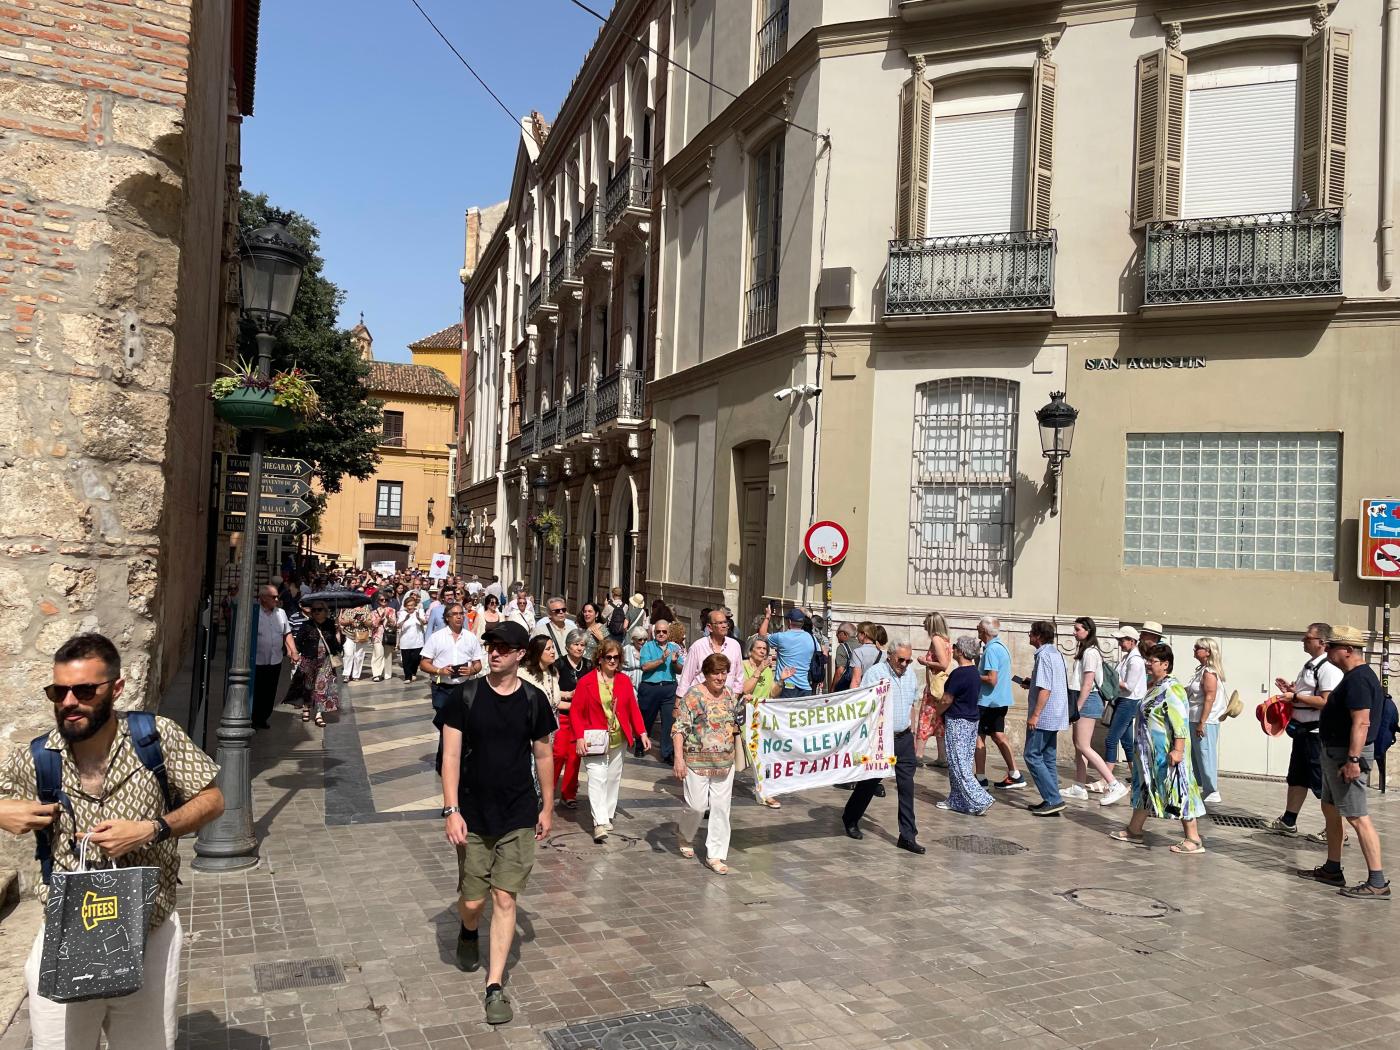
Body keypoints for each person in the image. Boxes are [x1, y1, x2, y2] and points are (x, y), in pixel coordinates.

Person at [0, 633, 224, 1050]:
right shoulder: (38, 757)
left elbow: (212, 800)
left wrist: (153, 828)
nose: (69, 702)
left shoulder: (156, 738)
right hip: (66, 934)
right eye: (59, 691)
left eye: (84, 690)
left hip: (149, 932)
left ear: (115, 688)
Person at [439, 621, 555, 1025]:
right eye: (491, 645)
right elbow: (450, 757)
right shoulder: (465, 696)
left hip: (519, 812)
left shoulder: (534, 700)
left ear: (522, 654)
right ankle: (468, 931)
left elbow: (543, 755)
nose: (494, 652)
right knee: (473, 901)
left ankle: (494, 987)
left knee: (505, 898)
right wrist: (451, 810)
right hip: (472, 813)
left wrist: (548, 807)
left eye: (504, 647)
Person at [1295, 626, 1389, 900]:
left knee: (1357, 816)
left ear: (1348, 650)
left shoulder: (1359, 679)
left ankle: (1377, 881)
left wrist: (1353, 760)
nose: (1328, 650)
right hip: (1334, 753)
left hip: (1345, 757)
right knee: (1330, 808)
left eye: (1333, 646)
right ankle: (1332, 868)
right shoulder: (1352, 677)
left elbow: (1362, 722)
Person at [1108, 643, 1205, 854]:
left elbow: (1180, 723)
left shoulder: (1173, 688)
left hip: (1167, 754)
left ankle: (1193, 839)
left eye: (1152, 661)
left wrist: (1177, 751)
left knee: (1179, 790)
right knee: (1145, 788)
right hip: (1148, 754)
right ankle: (1135, 830)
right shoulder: (1154, 686)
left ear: (1165, 664)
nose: (1147, 664)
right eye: (1148, 660)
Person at [1266, 623, 1346, 839]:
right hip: (1303, 733)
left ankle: (1337, 831)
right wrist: (1292, 691)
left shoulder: (1328, 669)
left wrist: (1296, 697)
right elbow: (1310, 694)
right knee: (1297, 777)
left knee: (1322, 783)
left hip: (1316, 735)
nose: (1303, 640)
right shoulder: (1310, 666)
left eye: (1307, 637)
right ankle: (1289, 821)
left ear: (1322, 642)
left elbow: (1327, 702)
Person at [842, 642, 924, 853]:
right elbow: (863, 706)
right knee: (870, 782)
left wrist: (913, 734)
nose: (904, 664)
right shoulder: (874, 674)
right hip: (881, 737)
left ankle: (907, 836)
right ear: (890, 656)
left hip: (904, 738)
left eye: (908, 660)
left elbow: (912, 706)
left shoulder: (911, 675)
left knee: (907, 787)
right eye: (901, 660)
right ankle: (850, 817)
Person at [570, 639, 650, 841]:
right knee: (597, 778)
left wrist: (642, 733)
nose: (613, 661)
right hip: (594, 738)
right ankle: (599, 822)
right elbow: (576, 712)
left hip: (618, 738)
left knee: (613, 778)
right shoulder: (586, 682)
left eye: (616, 657)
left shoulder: (623, 681)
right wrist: (579, 737)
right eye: (609, 657)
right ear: (600, 658)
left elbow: (633, 708)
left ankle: (607, 815)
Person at [673, 653, 743, 874]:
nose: (720, 677)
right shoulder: (693, 696)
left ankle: (716, 855)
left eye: (724, 672)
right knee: (696, 806)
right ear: (706, 673)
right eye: (716, 673)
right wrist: (678, 758)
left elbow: (735, 723)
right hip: (696, 761)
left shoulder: (730, 695)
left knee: (721, 809)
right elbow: (679, 728)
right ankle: (685, 834)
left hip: (724, 762)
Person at [1066, 617, 1128, 806]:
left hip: (1088, 700)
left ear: (1087, 631)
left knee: (1084, 745)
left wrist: (1077, 707)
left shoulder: (1091, 653)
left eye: (1077, 629)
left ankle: (1114, 784)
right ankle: (1079, 786)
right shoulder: (1085, 651)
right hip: (1082, 699)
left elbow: (1088, 682)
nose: (1074, 633)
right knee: (1078, 745)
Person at [936, 635, 995, 816]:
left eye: (954, 647)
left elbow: (947, 699)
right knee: (960, 762)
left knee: (959, 764)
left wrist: (937, 712)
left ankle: (981, 798)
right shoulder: (974, 673)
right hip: (971, 720)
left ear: (960, 651)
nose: (952, 649)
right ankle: (956, 799)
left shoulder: (959, 674)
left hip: (958, 721)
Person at [1019, 621, 1070, 816]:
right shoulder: (1056, 654)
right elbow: (1050, 683)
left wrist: (1035, 715)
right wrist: (1032, 684)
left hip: (1045, 715)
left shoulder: (1043, 656)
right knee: (1048, 757)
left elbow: (1046, 689)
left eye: (1031, 633)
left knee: (1031, 755)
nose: (1029, 636)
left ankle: (1053, 799)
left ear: (1039, 636)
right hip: (1056, 714)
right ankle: (1052, 798)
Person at [518, 635, 575, 809]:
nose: (553, 652)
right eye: (548, 649)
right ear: (537, 652)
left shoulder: (552, 673)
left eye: (553, 648)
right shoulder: (523, 673)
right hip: (528, 729)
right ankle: (529, 804)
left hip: (549, 728)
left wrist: (579, 706)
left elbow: (554, 702)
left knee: (541, 766)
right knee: (530, 768)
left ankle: (538, 802)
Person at [974, 616, 1024, 789]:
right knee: (998, 735)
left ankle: (980, 778)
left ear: (985, 631)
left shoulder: (991, 650)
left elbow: (992, 679)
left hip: (988, 702)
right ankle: (1015, 774)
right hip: (1000, 700)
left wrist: (973, 675)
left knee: (978, 737)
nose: (977, 629)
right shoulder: (1001, 646)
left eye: (979, 627)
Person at [738, 635, 782, 809]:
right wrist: (758, 671)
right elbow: (743, 689)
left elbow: (772, 693)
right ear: (750, 651)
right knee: (742, 756)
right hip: (744, 717)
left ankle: (765, 792)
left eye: (765, 649)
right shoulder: (742, 666)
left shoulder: (768, 669)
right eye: (760, 649)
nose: (763, 652)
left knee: (762, 756)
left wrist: (781, 680)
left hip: (761, 717)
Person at [421, 604, 486, 715]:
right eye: (455, 614)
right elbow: (423, 664)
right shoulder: (436, 637)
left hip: (464, 687)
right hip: (441, 687)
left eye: (461, 613)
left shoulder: (470, 637)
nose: (459, 617)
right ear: (447, 617)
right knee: (443, 724)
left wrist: (472, 670)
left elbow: (478, 664)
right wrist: (439, 671)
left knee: (464, 725)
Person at [1187, 637, 1227, 803]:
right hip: (1194, 717)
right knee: (1196, 755)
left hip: (1205, 720)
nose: (1195, 650)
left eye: (1198, 648)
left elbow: (1209, 698)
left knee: (1205, 754)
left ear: (1208, 651)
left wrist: (1202, 722)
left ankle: (1212, 789)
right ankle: (1202, 786)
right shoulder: (1201, 670)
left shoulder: (1209, 672)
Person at [253, 584, 298, 730]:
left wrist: (293, 651)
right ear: (263, 598)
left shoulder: (281, 613)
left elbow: (287, 634)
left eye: (277, 596)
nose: (277, 599)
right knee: (257, 690)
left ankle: (263, 717)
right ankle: (254, 717)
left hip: (275, 659)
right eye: (274, 597)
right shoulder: (254, 613)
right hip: (257, 660)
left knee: (270, 690)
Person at [637, 620, 684, 759]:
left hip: (669, 688)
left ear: (668, 633)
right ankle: (640, 745)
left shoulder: (674, 648)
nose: (661, 634)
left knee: (669, 721)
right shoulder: (647, 647)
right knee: (646, 719)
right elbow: (644, 666)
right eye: (658, 631)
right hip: (650, 687)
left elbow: (680, 670)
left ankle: (667, 752)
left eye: (664, 631)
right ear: (654, 632)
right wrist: (661, 661)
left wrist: (675, 662)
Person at [554, 632, 591, 808]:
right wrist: (569, 697)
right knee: (559, 753)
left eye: (582, 645)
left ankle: (569, 793)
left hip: (581, 717)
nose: (579, 648)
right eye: (576, 644)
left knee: (575, 757)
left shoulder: (589, 665)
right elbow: (550, 690)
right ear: (568, 646)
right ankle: (547, 789)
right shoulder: (558, 664)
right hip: (562, 714)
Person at [1103, 626, 1147, 770]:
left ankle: (1108, 779)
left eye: (1122, 640)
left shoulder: (1135, 661)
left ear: (1132, 641)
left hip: (1129, 701)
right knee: (1127, 742)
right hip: (1124, 700)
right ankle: (1136, 775)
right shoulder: (1126, 658)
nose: (1120, 643)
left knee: (1111, 740)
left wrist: (1110, 681)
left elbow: (1129, 686)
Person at [295, 601, 342, 727]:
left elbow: (337, 646)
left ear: (325, 611)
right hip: (309, 659)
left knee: (322, 687)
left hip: (325, 661)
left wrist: (338, 633)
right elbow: (298, 641)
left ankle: (319, 715)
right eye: (314, 609)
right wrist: (295, 654)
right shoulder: (306, 625)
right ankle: (306, 707)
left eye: (319, 609)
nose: (316, 612)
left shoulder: (330, 624)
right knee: (308, 685)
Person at [915, 612, 951, 766]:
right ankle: (942, 757)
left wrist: (926, 662)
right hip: (940, 688)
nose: (924, 626)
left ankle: (918, 755)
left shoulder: (936, 640)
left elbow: (943, 664)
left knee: (925, 719)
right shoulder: (946, 640)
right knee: (938, 721)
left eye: (926, 624)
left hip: (934, 689)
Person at [758, 606, 818, 698]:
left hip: (786, 687)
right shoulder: (812, 639)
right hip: (805, 688)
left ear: (789, 622)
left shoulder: (781, 637)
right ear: (802, 623)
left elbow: (762, 635)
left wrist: (767, 617)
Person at [396, 593, 428, 683]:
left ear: (415, 605)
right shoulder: (402, 613)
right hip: (405, 641)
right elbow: (398, 625)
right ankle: (407, 677)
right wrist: (405, 619)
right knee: (406, 660)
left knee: (416, 658)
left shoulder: (419, 611)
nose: (410, 607)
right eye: (408, 606)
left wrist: (419, 618)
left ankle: (413, 672)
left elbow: (424, 622)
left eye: (412, 605)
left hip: (417, 640)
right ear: (405, 606)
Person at [338, 604, 372, 683]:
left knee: (359, 656)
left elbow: (370, 623)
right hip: (349, 635)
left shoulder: (366, 609)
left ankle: (355, 675)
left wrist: (364, 620)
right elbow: (341, 622)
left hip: (361, 636)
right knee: (348, 654)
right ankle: (346, 674)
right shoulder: (348, 609)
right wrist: (350, 621)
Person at [368, 591, 395, 682]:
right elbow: (372, 625)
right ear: (378, 601)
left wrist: (389, 618)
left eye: (386, 600)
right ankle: (377, 674)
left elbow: (394, 624)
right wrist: (379, 619)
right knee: (378, 654)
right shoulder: (374, 612)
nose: (384, 601)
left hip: (388, 634)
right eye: (382, 600)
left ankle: (387, 673)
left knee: (388, 655)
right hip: (377, 635)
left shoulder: (391, 610)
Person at [831, 622, 858, 691]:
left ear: (844, 634)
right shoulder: (862, 645)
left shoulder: (842, 647)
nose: (836, 635)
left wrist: (833, 688)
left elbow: (840, 671)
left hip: (846, 688)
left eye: (838, 633)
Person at [622, 625, 648, 690]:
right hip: (628, 685)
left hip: (644, 685)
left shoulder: (647, 650)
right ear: (633, 639)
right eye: (640, 639)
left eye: (645, 639)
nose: (643, 642)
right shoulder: (625, 650)